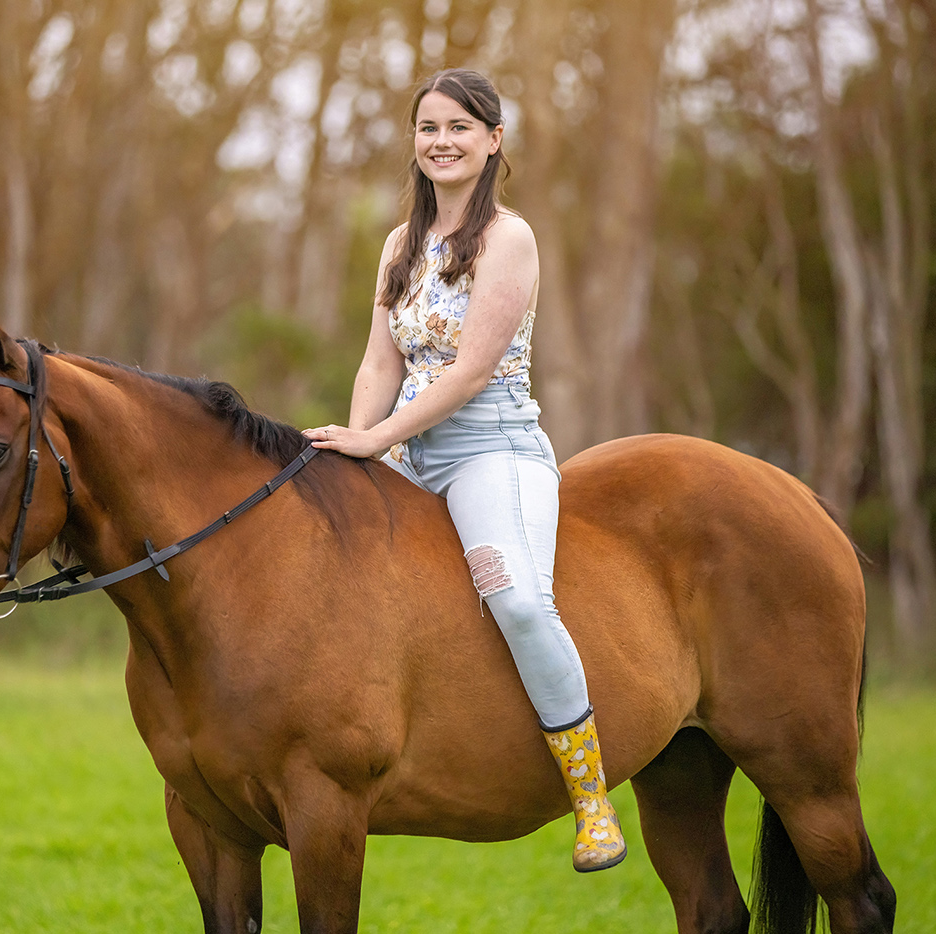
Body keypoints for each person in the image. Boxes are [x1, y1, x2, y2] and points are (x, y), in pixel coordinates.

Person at [302, 68, 626, 872]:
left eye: (458, 128)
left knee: (517, 600)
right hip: (410, 450)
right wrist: (357, 436)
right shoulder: (399, 244)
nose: (441, 142)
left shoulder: (508, 238)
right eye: (428, 128)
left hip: (492, 452)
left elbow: (470, 373)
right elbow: (380, 362)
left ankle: (591, 801)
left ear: (493, 140)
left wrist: (380, 442)